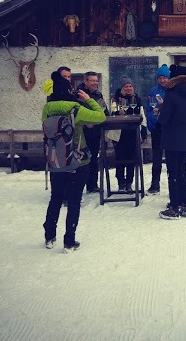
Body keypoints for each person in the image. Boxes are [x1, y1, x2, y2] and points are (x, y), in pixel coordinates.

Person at [42, 69, 106, 252]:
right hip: (78, 161)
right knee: (74, 200)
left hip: (55, 160)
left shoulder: (47, 109)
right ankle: (69, 241)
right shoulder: (75, 108)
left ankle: (49, 236)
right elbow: (100, 115)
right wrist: (88, 99)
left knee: (55, 198)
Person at [158, 65, 186, 220]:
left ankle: (174, 207)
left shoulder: (172, 92)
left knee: (173, 172)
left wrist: (161, 110)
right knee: (182, 170)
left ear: (174, 78)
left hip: (172, 137)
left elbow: (164, 119)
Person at [109, 76, 147, 192]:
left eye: (130, 86)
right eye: (126, 86)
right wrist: (117, 112)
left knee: (132, 159)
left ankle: (129, 182)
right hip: (119, 134)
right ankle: (121, 182)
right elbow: (112, 113)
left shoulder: (137, 99)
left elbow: (142, 116)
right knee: (120, 158)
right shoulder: (115, 100)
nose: (129, 88)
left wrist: (143, 132)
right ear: (122, 88)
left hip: (133, 133)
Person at [76, 71, 109, 193]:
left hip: (95, 132)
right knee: (81, 160)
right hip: (82, 133)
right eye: (93, 80)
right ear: (86, 82)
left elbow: (105, 112)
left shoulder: (98, 94)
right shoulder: (79, 95)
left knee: (94, 158)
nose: (96, 83)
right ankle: (79, 186)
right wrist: (86, 121)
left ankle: (92, 185)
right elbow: (77, 112)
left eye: (96, 80)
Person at [145, 64, 170, 194]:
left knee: (171, 159)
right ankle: (155, 185)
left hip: (170, 130)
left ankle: (173, 186)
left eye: (165, 78)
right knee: (157, 158)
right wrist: (153, 122)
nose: (162, 80)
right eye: (160, 78)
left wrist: (162, 109)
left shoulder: (173, 91)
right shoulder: (153, 92)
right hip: (157, 129)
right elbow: (148, 110)